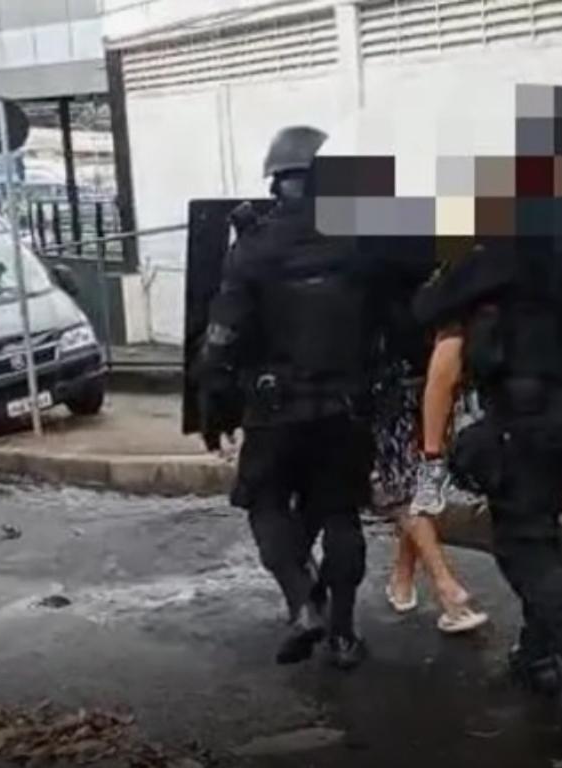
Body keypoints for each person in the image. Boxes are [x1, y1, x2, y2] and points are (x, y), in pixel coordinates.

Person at [414, 85, 562, 743]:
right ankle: (536, 654)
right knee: (540, 529)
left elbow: (433, 305)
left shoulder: (518, 226)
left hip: (528, 417)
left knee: (524, 550)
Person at [198, 125, 375, 670]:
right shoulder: (359, 238)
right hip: (345, 406)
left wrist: (211, 399)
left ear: (276, 182)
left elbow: (223, 334)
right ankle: (343, 635)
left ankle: (302, 604)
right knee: (341, 512)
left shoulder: (253, 246)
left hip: (275, 408)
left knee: (266, 502)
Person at [370, 254, 489, 634]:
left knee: (401, 488)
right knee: (424, 479)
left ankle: (447, 588)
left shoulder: (378, 256)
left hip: (394, 383)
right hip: (443, 377)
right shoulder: (448, 256)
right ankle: (403, 576)